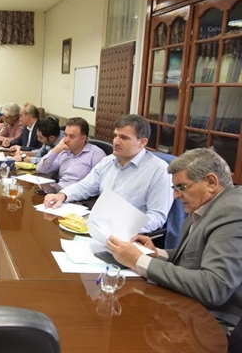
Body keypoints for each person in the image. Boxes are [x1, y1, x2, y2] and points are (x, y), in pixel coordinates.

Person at [107, 149, 242, 332]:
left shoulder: (233, 212)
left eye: (182, 187)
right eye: (174, 188)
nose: (176, 196)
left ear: (211, 182)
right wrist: (156, 254)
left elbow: (214, 287)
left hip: (214, 323)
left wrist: (139, 260)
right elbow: (194, 257)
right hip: (188, 306)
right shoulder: (206, 204)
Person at [44, 114, 172, 233]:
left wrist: (123, 227)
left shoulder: (159, 170)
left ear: (142, 142)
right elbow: (85, 186)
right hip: (97, 227)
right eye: (115, 136)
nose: (116, 142)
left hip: (127, 236)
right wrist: (62, 195)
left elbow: (157, 217)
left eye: (124, 138)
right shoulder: (108, 161)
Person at [34, 117, 105, 188]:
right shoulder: (64, 151)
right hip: (58, 190)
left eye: (71, 136)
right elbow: (41, 169)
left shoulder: (96, 154)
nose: (66, 140)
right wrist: (57, 149)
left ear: (83, 138)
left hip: (80, 193)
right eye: (65, 135)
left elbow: (98, 184)